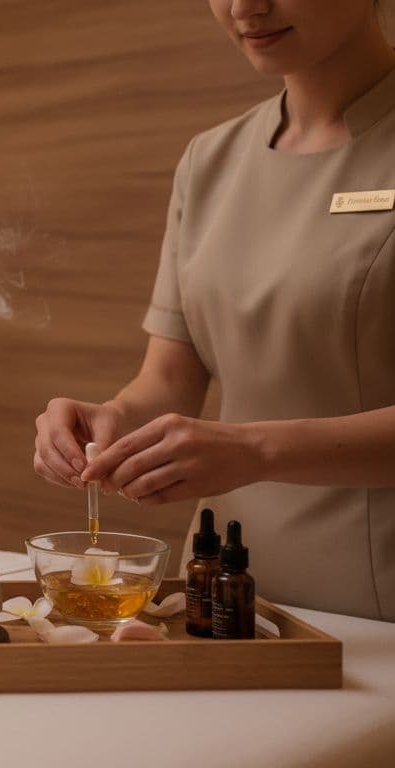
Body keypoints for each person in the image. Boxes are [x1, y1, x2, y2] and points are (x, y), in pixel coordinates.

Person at [33, 0, 395, 620]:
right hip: (222, 588)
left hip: (377, 599)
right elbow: (171, 377)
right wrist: (112, 420)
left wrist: (252, 450)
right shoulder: (211, 159)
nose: (243, 6)